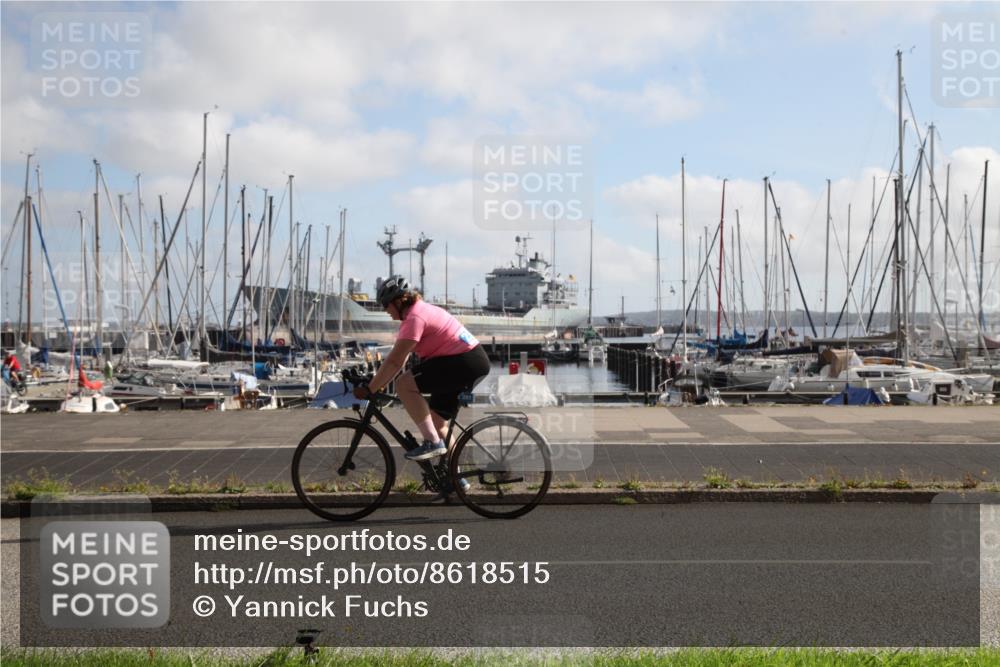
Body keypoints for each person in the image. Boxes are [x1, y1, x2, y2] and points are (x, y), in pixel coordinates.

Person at [353, 276, 491, 463]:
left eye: (386, 305)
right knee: (437, 422)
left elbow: (395, 361)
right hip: (471, 360)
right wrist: (378, 383)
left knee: (404, 385)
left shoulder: (414, 318)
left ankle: (433, 443)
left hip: (463, 361)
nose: (386, 311)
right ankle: (456, 479)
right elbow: (401, 360)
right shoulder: (419, 311)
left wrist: (371, 388)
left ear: (399, 302)